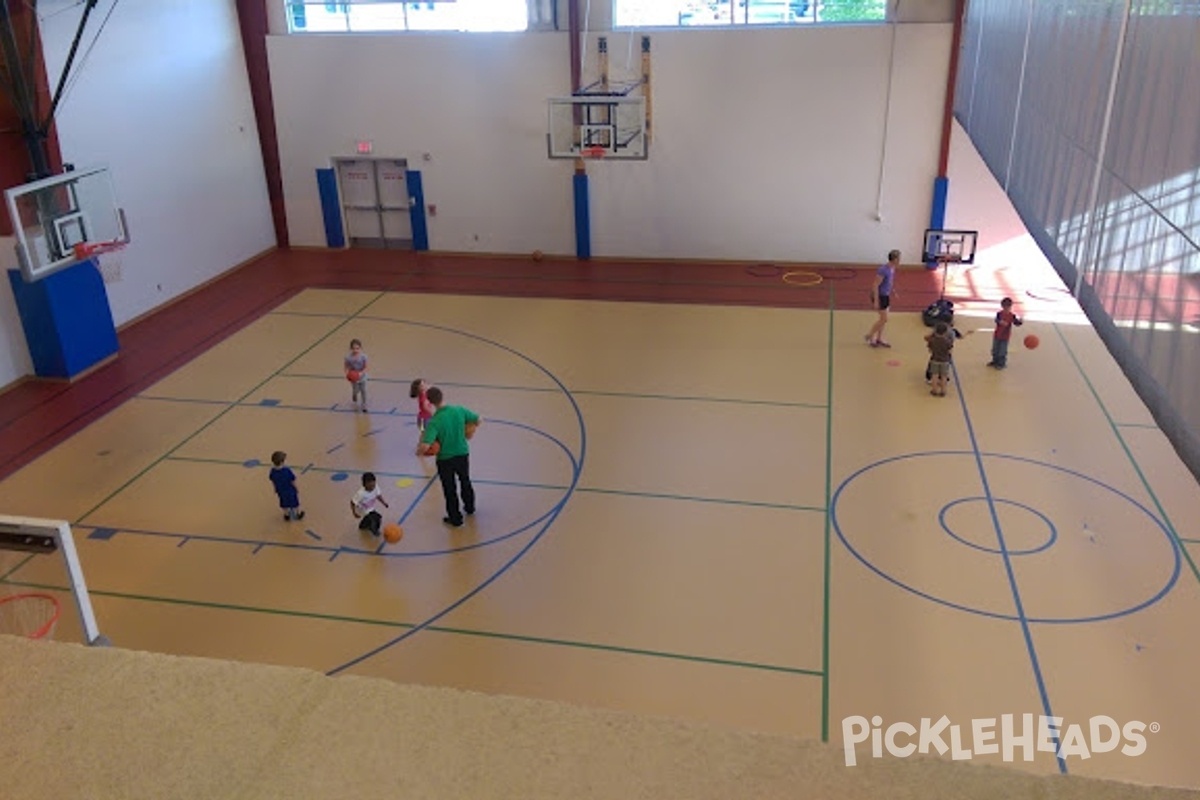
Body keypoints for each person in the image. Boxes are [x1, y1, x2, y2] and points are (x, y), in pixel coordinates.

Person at [417, 386, 481, 528]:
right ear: (442, 396)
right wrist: (468, 433)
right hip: (462, 453)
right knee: (465, 480)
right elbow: (478, 419)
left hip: (445, 459)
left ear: (430, 403)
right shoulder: (459, 410)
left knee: (449, 488)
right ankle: (470, 508)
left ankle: (456, 519)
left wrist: (422, 450)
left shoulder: (435, 421)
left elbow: (425, 446)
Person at [865, 249, 900, 348]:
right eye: (898, 259)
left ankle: (879, 338)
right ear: (894, 259)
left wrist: (892, 291)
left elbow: (889, 282)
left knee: (883, 319)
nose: (900, 261)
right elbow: (875, 285)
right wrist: (876, 301)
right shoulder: (883, 270)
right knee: (884, 319)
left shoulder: (892, 269)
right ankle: (870, 335)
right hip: (880, 296)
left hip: (886, 295)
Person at [987, 297, 1023, 369]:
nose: (1006, 309)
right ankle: (995, 361)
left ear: (1010, 307)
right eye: (1005, 307)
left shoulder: (1012, 316)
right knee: (995, 349)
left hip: (1005, 337)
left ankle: (1001, 363)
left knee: (1002, 351)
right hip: (997, 335)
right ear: (1002, 307)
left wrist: (1020, 321)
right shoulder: (999, 314)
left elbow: (1016, 323)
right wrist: (1000, 322)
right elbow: (996, 320)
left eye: (1008, 307)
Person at [350, 471, 389, 537]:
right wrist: (354, 513)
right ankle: (374, 530)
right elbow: (352, 502)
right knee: (377, 518)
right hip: (361, 510)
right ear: (364, 485)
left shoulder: (375, 487)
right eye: (370, 486)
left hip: (370, 508)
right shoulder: (360, 494)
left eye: (373, 485)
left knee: (370, 518)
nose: (372, 488)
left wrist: (384, 503)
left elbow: (378, 496)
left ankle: (363, 526)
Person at [269, 451, 304, 521]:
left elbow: (272, 481)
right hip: (290, 490)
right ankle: (297, 514)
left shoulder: (272, 471)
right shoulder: (287, 471)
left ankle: (286, 515)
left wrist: (275, 488)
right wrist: (296, 488)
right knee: (295, 503)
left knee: (284, 503)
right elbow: (292, 481)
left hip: (281, 491)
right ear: (282, 462)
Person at [925, 322, 956, 397]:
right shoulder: (947, 341)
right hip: (945, 360)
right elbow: (950, 350)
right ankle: (943, 391)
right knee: (944, 376)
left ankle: (934, 390)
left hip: (935, 359)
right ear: (945, 332)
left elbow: (929, 349)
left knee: (934, 375)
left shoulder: (932, 340)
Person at [345, 338, 368, 412]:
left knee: (363, 390)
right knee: (355, 391)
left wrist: (361, 373)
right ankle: (354, 399)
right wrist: (347, 374)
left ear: (360, 348)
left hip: (362, 376)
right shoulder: (348, 357)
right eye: (354, 348)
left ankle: (364, 405)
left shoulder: (364, 357)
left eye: (357, 348)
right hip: (354, 377)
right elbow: (346, 367)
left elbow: (366, 367)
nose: (355, 350)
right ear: (351, 348)